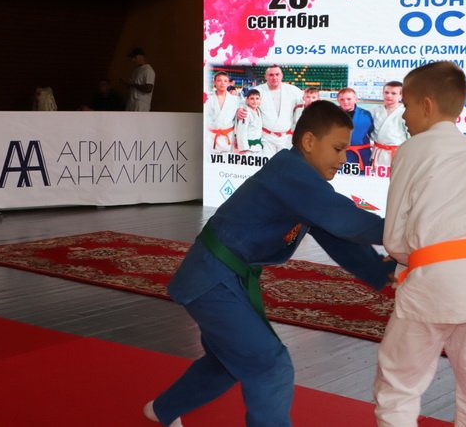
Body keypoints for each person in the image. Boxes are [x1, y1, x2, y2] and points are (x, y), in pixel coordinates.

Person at [144, 100, 396, 427]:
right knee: (269, 365)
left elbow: (338, 237)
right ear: (308, 141)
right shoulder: (291, 173)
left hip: (218, 278)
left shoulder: (301, 180)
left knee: (228, 361)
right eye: (337, 148)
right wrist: (405, 233)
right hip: (212, 279)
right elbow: (345, 221)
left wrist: (383, 271)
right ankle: (164, 409)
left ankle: (162, 410)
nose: (343, 158)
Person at [374, 61, 466, 427]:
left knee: (399, 387)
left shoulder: (412, 150)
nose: (403, 115)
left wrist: (408, 259)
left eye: (406, 105)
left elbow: (395, 237)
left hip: (432, 286)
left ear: (426, 105)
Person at [237, 65, 303, 156]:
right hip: (266, 138)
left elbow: (306, 102)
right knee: (266, 163)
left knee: (285, 163)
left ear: (282, 75)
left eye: (277, 74)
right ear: (265, 76)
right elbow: (243, 102)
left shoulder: (294, 91)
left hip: (286, 138)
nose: (274, 77)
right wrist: (239, 109)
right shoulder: (258, 90)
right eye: (271, 75)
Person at [370, 80, 410, 169]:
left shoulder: (406, 112)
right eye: (386, 92)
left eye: (393, 93)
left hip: (398, 153)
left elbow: (411, 136)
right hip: (378, 153)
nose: (389, 96)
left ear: (401, 96)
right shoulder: (374, 111)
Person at [337, 87, 374, 173]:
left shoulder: (366, 115)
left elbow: (373, 133)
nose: (345, 102)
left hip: (361, 154)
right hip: (339, 155)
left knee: (361, 179)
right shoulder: (331, 115)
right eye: (342, 99)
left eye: (349, 99)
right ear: (338, 100)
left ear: (355, 99)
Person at [206, 71, 240, 152]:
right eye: (219, 80)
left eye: (225, 81)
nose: (222, 83)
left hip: (228, 137)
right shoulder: (208, 99)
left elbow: (237, 121)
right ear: (214, 82)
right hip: (211, 137)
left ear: (228, 83)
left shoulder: (235, 99)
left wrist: (238, 137)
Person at [124, 47, 156, 111]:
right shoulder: (136, 70)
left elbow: (148, 88)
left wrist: (134, 84)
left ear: (140, 56)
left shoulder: (148, 70)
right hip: (132, 102)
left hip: (141, 103)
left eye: (134, 57)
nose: (133, 60)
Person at [234, 89, 264, 154]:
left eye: (257, 98)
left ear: (260, 100)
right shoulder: (245, 112)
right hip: (248, 147)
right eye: (252, 98)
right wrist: (243, 149)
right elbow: (241, 131)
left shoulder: (258, 110)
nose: (255, 101)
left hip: (257, 146)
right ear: (247, 100)